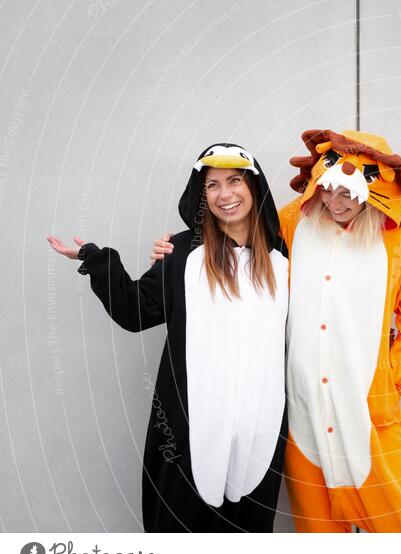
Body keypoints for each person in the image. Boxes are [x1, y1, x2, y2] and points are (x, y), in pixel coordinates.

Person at [153, 130, 401, 532]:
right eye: (329, 192)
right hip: (302, 409)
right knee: (316, 528)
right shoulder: (292, 221)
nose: (337, 204)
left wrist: (395, 378)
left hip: (366, 408)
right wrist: (179, 246)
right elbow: (240, 234)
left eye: (349, 195)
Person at [48, 144, 289, 532]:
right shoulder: (184, 253)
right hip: (188, 427)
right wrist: (96, 259)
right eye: (212, 186)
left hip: (259, 432)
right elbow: (135, 311)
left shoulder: (282, 256)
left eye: (234, 181)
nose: (225, 194)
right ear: (201, 195)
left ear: (255, 187)